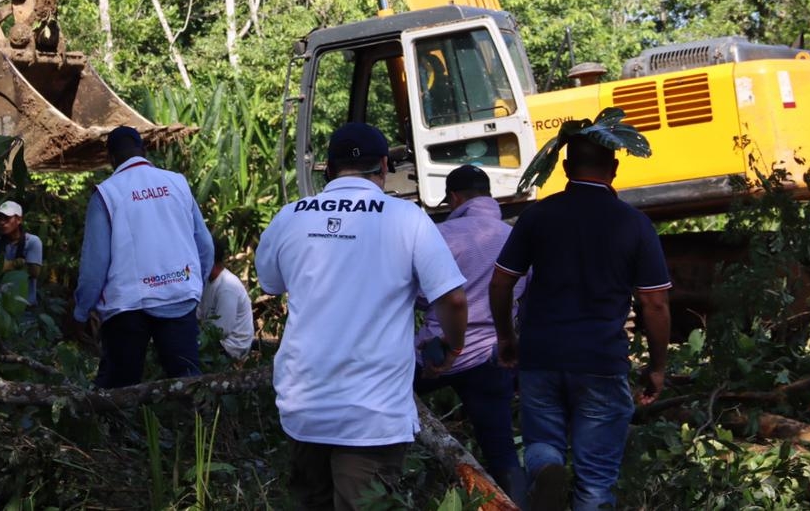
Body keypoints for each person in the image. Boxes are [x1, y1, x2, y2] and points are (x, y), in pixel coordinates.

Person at [256, 122, 468, 511]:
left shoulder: (290, 216)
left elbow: (269, 282)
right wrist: (452, 347)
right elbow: (453, 300)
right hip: (373, 414)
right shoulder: (406, 218)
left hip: (305, 404)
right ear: (384, 166)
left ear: (330, 168)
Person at [491, 135, 672, 511]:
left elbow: (501, 282)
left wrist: (507, 338)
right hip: (600, 360)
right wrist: (657, 367)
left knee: (542, 443)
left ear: (566, 169)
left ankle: (547, 467)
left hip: (541, 356)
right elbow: (654, 302)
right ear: (615, 170)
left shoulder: (537, 216)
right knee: (595, 479)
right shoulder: (635, 224)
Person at [415, 164, 527, 504]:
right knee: (502, 451)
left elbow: (419, 295)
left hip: (436, 356)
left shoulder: (440, 235)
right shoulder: (513, 236)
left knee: (387, 406)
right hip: (492, 358)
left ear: (454, 198)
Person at [72, 125, 214, 388]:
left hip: (127, 307)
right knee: (188, 385)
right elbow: (205, 245)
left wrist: (81, 313)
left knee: (118, 391)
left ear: (110, 158)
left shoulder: (107, 193)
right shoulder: (177, 184)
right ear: (144, 150)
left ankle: (122, 429)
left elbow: (95, 265)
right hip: (178, 295)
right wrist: (195, 285)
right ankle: (196, 429)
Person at [198, 233, 255, 361]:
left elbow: (220, 331)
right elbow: (199, 313)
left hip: (231, 347)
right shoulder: (207, 281)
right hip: (215, 339)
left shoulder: (227, 287)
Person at [0, 200, 44, 307]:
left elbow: (34, 271)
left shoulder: (33, 241)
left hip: (25, 306)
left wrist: (2, 266)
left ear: (19, 220)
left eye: (7, 218)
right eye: (0, 218)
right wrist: (17, 264)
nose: (2, 222)